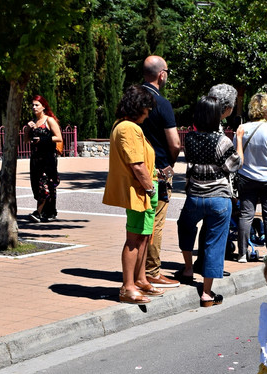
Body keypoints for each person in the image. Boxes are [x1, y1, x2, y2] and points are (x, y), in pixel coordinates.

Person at [177, 96, 240, 307]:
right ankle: (206, 293)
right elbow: (233, 166)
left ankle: (187, 269)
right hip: (219, 198)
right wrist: (239, 144)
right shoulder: (223, 141)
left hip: (195, 195)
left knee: (185, 227)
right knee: (215, 242)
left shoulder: (189, 138)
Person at [103, 85, 163, 304]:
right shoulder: (128, 128)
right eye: (146, 109)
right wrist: (149, 187)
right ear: (138, 107)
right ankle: (127, 287)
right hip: (140, 190)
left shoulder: (126, 126)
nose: (148, 114)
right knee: (134, 239)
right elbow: (136, 164)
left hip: (145, 189)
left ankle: (139, 280)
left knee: (144, 236)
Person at [138, 55, 183, 290]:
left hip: (135, 168)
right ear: (161, 74)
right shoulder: (161, 103)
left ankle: (137, 270)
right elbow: (175, 143)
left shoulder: (131, 99)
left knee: (136, 222)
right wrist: (170, 164)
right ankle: (152, 270)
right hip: (158, 170)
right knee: (155, 221)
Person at [234, 92, 267, 258]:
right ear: (265, 110)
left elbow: (236, 154)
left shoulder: (242, 129)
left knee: (245, 215)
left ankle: (242, 253)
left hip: (247, 178)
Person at [25, 95, 61, 222]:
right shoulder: (33, 121)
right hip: (36, 159)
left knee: (44, 184)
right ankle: (50, 211)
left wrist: (43, 139)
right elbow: (26, 140)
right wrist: (28, 129)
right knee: (37, 185)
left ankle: (38, 212)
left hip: (48, 159)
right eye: (33, 105)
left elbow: (59, 138)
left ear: (43, 106)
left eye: (37, 105)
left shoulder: (49, 120)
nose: (34, 107)